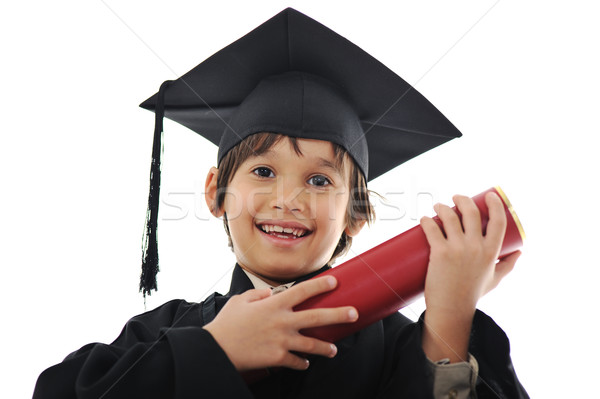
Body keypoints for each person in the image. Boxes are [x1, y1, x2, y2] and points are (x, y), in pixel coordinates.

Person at [33, 8, 528, 399]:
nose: (288, 199)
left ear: (355, 216)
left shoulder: (399, 347)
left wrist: (449, 321)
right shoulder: (168, 333)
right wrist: (214, 351)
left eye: (318, 179)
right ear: (214, 193)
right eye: (263, 171)